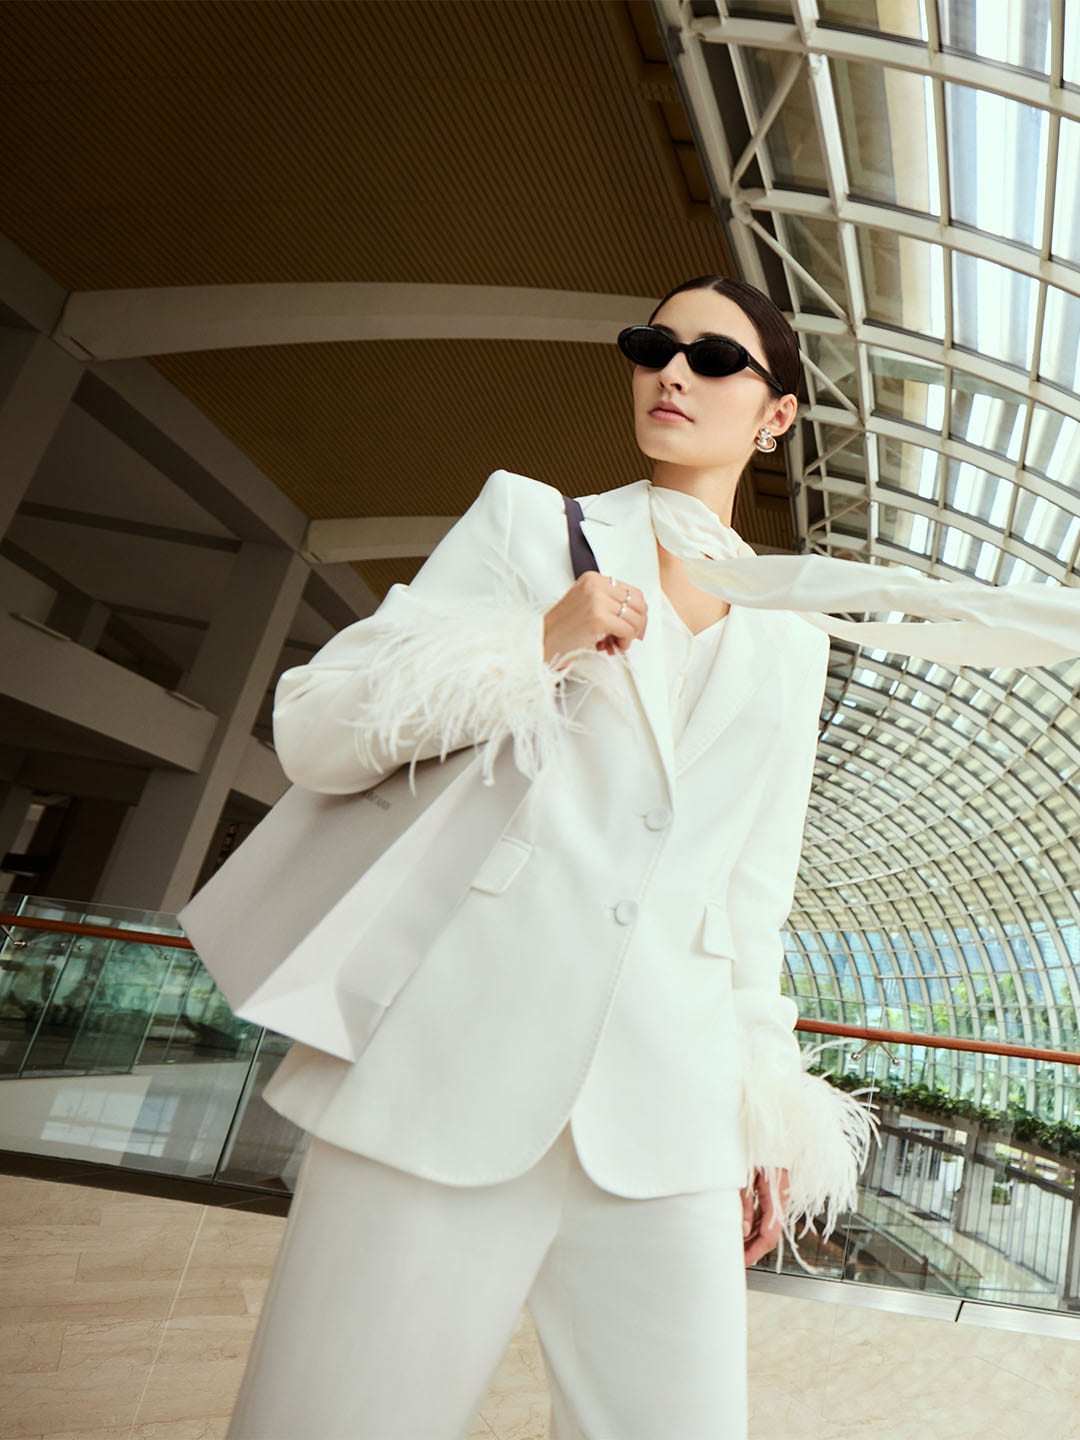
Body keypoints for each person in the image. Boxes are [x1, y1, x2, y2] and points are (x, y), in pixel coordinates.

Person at [226, 275, 872, 1440]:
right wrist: (536, 642)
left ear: (776, 415)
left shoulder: (790, 639)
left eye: (716, 360)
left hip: (669, 1127)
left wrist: (767, 1121)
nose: (673, 373)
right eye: (653, 347)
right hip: (448, 1080)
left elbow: (747, 906)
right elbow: (317, 731)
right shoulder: (532, 525)